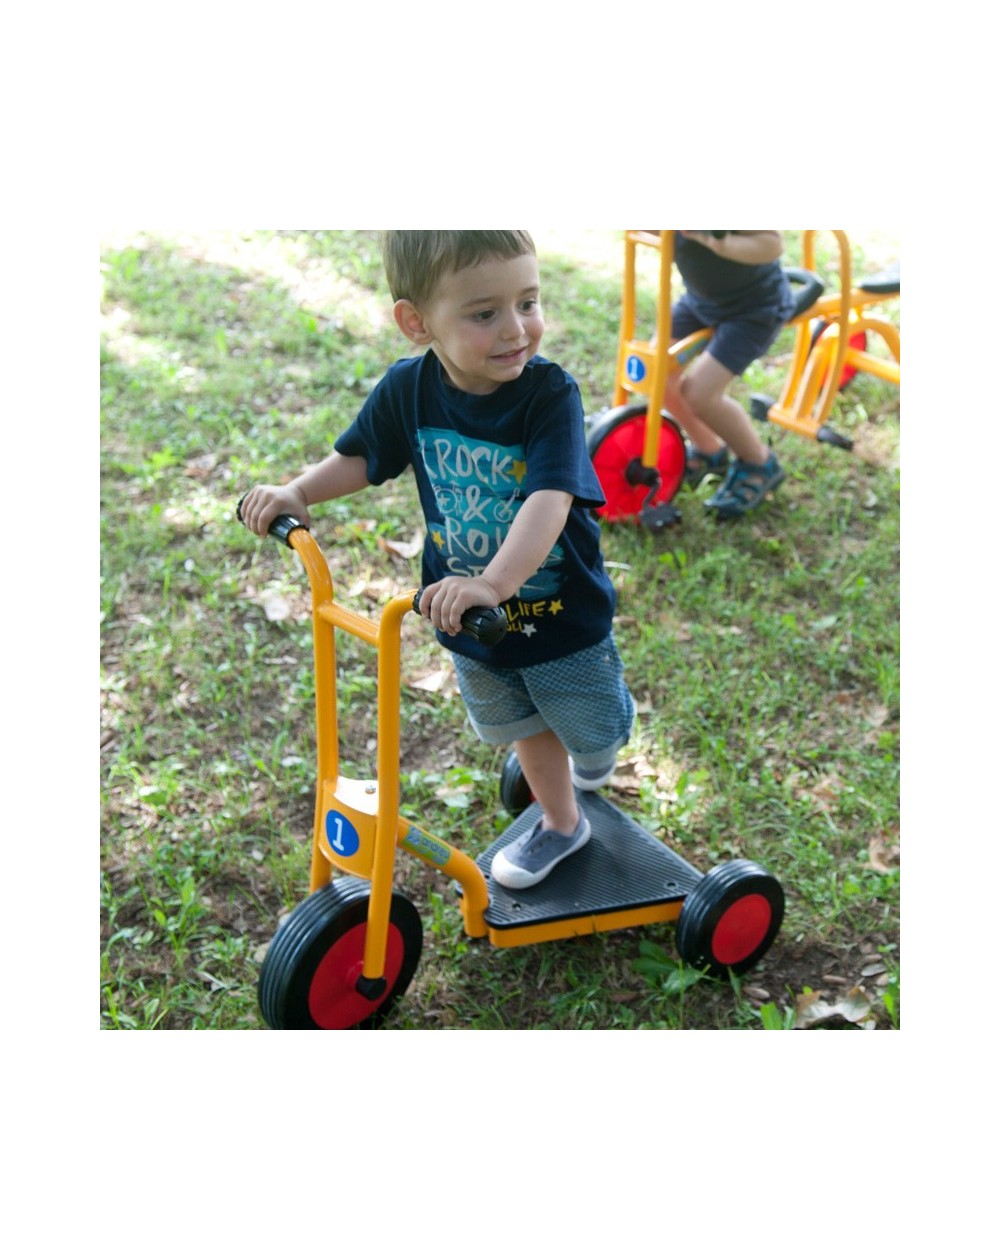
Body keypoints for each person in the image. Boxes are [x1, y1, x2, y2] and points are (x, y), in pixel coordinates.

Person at [239, 231, 635, 891]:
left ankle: (596, 749)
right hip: (471, 616)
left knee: (591, 733)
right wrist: (299, 493)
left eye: (528, 302)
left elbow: (551, 498)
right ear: (417, 322)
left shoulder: (549, 394)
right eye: (484, 313)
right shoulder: (409, 389)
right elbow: (364, 456)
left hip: (558, 612)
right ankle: (563, 823)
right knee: (521, 721)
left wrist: (493, 583)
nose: (516, 329)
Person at [660, 230, 794, 520]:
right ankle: (708, 449)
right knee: (658, 376)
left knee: (699, 394)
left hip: (754, 310)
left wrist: (717, 241)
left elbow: (771, 244)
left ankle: (759, 462)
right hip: (699, 303)